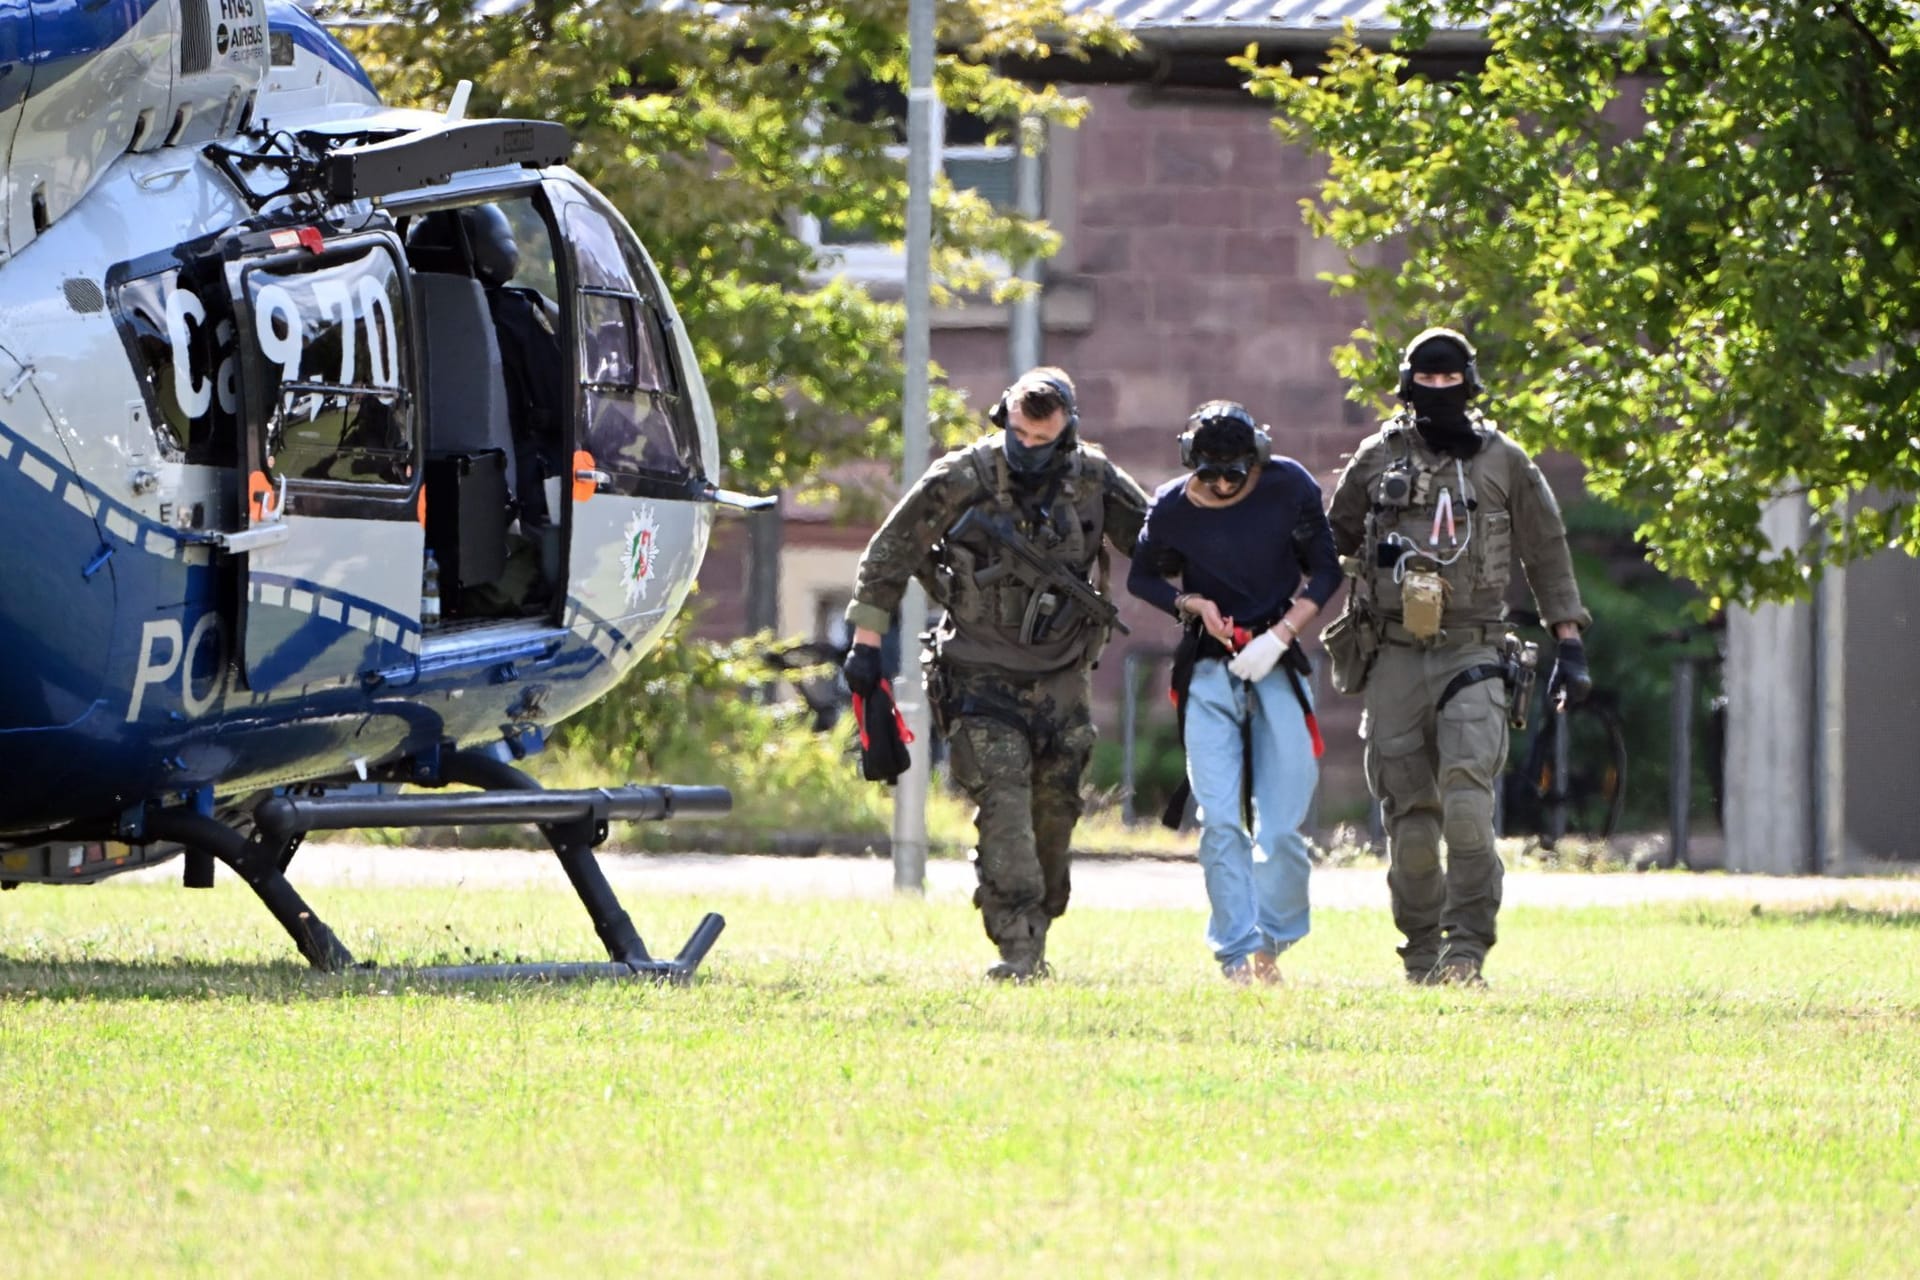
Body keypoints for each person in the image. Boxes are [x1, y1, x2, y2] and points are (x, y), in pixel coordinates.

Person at [842, 368, 1149, 981]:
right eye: (1018, 434)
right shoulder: (963, 478)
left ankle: (1038, 919)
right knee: (1004, 806)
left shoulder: (1093, 481)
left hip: (1063, 679)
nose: (1028, 448)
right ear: (1004, 419)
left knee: (1054, 817)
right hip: (979, 674)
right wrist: (866, 644)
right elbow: (890, 552)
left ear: (1067, 430)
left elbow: (1157, 544)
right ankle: (1018, 945)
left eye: (1043, 438)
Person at [1326, 328, 1592, 987]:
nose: (1438, 392)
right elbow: (1327, 539)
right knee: (1411, 826)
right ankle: (1422, 956)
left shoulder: (1504, 461)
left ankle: (1466, 949)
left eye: (1450, 381)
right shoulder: (1376, 456)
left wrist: (1569, 642)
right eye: (1427, 381)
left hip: (1472, 648)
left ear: (1469, 385)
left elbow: (1547, 552)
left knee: (1469, 810)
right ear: (1407, 386)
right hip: (1392, 651)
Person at [1127, 401, 1342, 984]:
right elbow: (1141, 575)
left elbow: (1327, 570)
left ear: (1258, 460)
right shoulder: (1172, 504)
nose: (1222, 484)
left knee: (1281, 826)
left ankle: (1272, 943)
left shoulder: (1288, 486)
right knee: (1220, 820)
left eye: (1235, 472)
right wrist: (1191, 604)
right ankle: (1234, 954)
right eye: (1209, 472)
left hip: (1275, 658)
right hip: (1208, 667)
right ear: (1190, 462)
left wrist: (1280, 635)